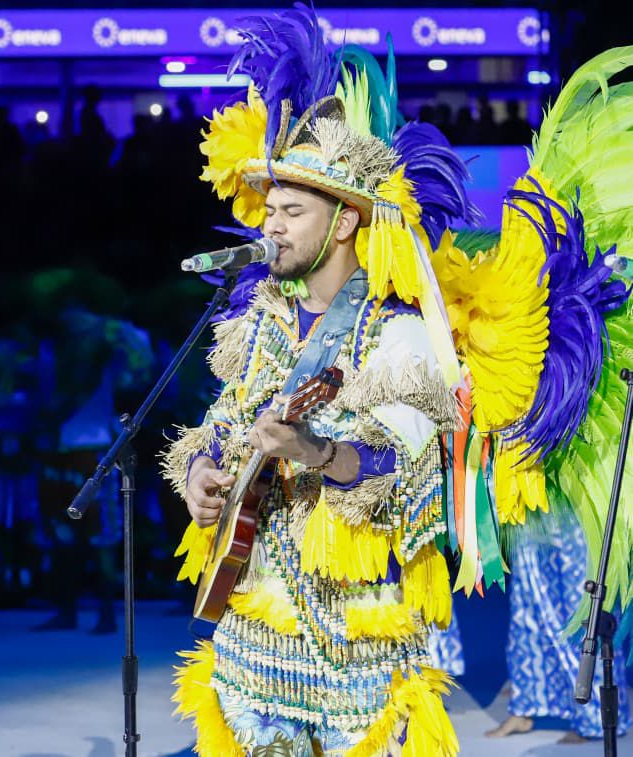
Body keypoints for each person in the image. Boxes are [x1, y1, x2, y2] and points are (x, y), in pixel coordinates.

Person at [163, 7, 481, 754]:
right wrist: (201, 470)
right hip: (252, 632)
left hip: (354, 646)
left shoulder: (398, 333)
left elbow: (407, 477)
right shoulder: (258, 320)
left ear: (342, 224)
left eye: (291, 211)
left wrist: (313, 451)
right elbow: (222, 421)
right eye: (268, 209)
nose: (269, 226)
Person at [487, 516, 631, 742]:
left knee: (581, 609)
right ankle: (524, 706)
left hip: (576, 513)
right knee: (527, 607)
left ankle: (594, 716)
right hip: (529, 511)